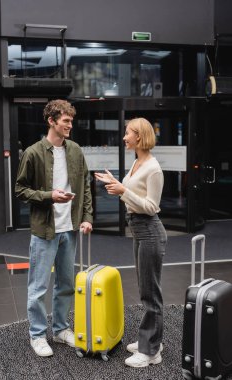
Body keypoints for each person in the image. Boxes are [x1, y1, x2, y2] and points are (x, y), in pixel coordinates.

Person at [15, 99, 93, 357]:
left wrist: (87, 216)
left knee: (66, 284)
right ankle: (37, 335)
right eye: (66, 121)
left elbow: (86, 185)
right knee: (38, 287)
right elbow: (20, 190)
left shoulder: (75, 150)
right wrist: (49, 195)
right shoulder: (33, 152)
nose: (70, 125)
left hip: (69, 229)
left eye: (72, 120)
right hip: (44, 231)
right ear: (51, 121)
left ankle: (60, 330)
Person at [95, 117, 167, 368]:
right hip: (138, 230)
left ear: (140, 136)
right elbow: (133, 193)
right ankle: (150, 339)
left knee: (151, 294)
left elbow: (151, 206)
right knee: (146, 289)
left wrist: (122, 191)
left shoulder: (153, 168)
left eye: (128, 133)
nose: (124, 137)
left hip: (149, 230)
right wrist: (115, 183)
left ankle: (151, 351)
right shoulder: (138, 162)